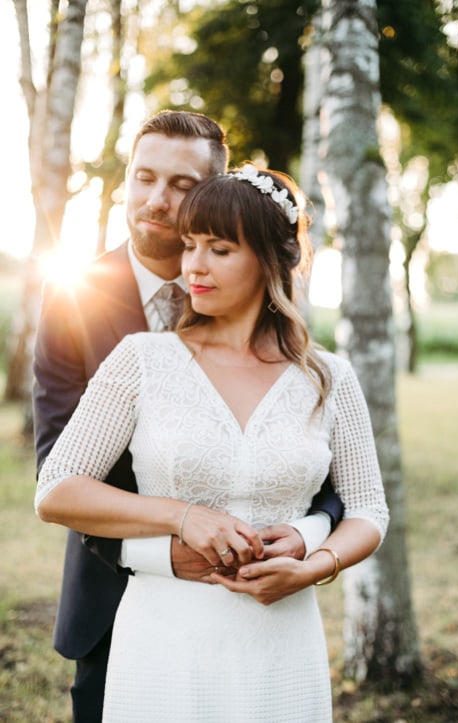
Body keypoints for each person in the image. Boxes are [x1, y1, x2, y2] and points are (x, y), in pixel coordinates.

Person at [35, 164, 389, 721]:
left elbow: (368, 507)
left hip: (283, 643)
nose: (194, 265)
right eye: (191, 244)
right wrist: (181, 516)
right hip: (163, 642)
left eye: (219, 249)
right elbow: (56, 490)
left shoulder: (328, 378)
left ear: (271, 260)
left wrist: (316, 564)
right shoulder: (141, 360)